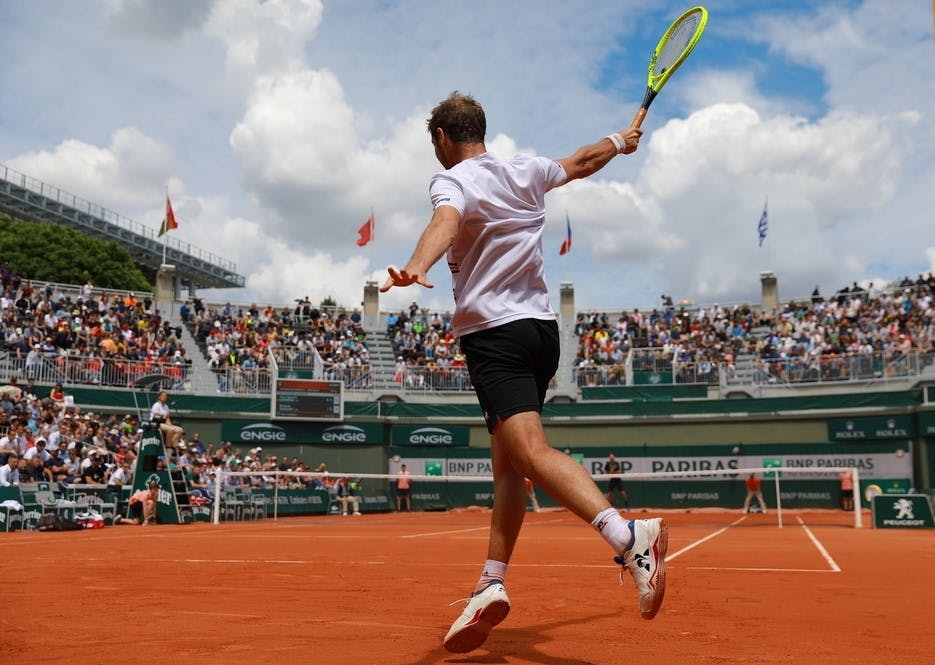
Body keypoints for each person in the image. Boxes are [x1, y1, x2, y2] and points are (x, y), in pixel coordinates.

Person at [380, 91, 665, 653]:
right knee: (508, 467)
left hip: (495, 336)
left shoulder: (452, 182)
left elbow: (445, 222)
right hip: (540, 334)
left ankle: (629, 535)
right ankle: (490, 582)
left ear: (441, 138)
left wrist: (416, 267)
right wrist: (618, 142)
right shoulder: (526, 169)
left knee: (529, 454)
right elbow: (582, 161)